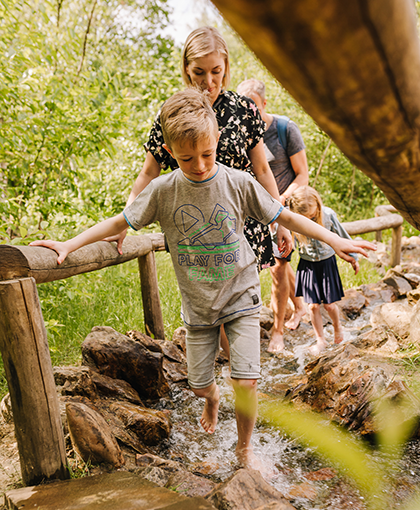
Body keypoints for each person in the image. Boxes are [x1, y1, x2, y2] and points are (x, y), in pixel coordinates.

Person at [30, 88, 375, 470]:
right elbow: (119, 221)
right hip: (198, 306)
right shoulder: (163, 191)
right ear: (169, 150)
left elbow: (285, 216)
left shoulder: (238, 182)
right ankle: (211, 398)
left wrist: (334, 238)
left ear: (217, 141)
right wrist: (68, 243)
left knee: (245, 381)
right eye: (186, 157)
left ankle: (244, 450)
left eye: (207, 154)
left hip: (241, 295)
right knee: (198, 385)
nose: (198, 165)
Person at [237, 78, 307, 353]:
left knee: (279, 268)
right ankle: (299, 306)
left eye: (252, 105)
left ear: (264, 103)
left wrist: (280, 201)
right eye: (243, 106)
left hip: (282, 207)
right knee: (276, 267)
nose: (248, 111)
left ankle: (277, 331)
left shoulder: (284, 129)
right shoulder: (239, 131)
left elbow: (302, 175)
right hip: (252, 211)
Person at [288, 186, 360, 356]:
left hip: (327, 263)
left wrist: (354, 258)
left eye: (312, 216)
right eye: (305, 219)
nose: (310, 220)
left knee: (328, 305)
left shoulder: (328, 215)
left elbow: (343, 236)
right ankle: (320, 338)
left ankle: (337, 328)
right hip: (307, 265)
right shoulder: (292, 218)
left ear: (318, 207)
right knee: (313, 306)